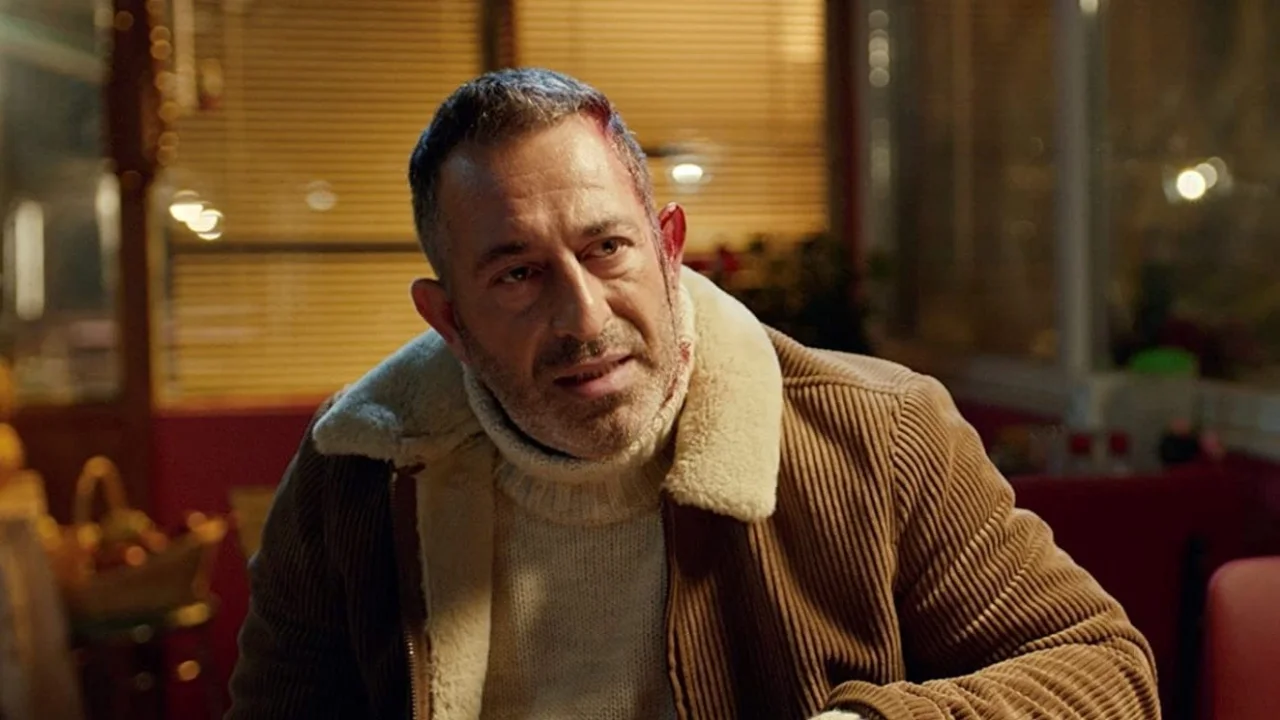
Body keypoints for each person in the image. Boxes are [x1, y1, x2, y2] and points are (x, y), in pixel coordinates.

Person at [227, 68, 1159, 720]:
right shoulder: (356, 471)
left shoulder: (881, 434)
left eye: (607, 248)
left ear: (669, 246)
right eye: (516, 274)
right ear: (448, 319)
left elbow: (1105, 674)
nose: (583, 316)